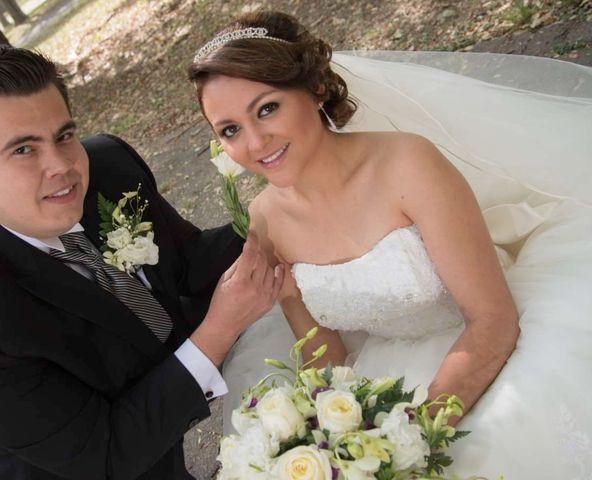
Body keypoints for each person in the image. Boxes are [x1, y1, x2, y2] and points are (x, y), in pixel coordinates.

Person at [188, 11, 592, 480]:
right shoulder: (263, 221)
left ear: (315, 88)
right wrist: (336, 435)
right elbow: (324, 354)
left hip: (491, 346)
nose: (255, 142)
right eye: (230, 130)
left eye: (267, 108)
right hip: (382, 378)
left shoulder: (407, 164)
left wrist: (413, 436)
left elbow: (494, 322)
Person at [0, 44, 283, 480]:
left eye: (64, 136)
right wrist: (218, 330)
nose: (62, 167)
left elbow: (186, 261)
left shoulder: (108, 168)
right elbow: (106, 454)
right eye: (23, 150)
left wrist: (277, 214)